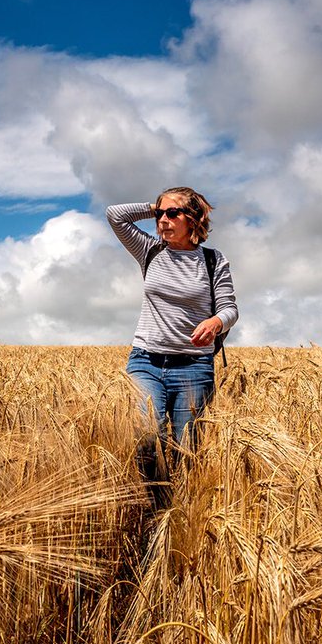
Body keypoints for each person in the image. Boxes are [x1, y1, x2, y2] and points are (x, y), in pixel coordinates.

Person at [107, 187, 238, 504]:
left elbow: (229, 308)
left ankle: (176, 512)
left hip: (193, 367)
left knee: (185, 450)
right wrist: (157, 205)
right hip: (145, 361)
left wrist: (215, 323)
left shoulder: (211, 261)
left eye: (173, 213)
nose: (163, 220)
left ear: (193, 219)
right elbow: (115, 214)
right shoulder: (149, 251)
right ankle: (153, 505)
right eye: (159, 214)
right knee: (146, 437)